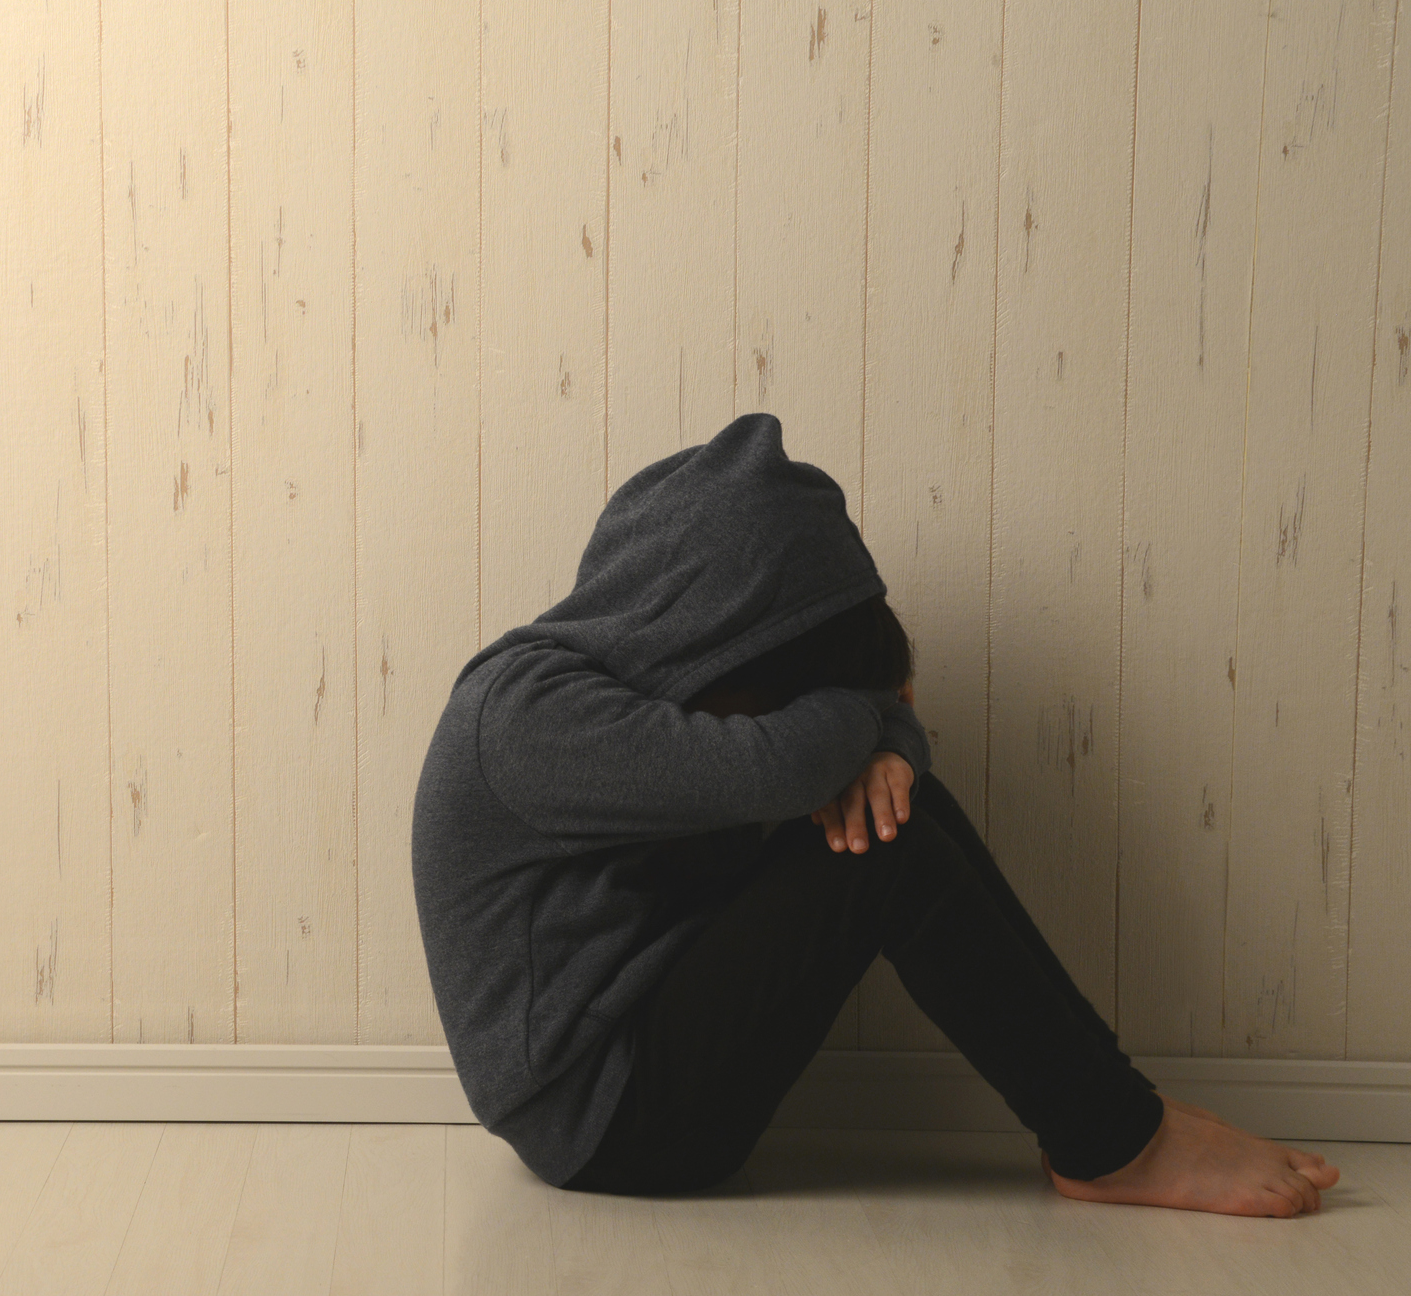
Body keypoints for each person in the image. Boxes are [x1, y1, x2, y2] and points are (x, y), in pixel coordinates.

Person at [409, 412, 1338, 1217]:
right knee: (883, 851)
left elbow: (860, 729)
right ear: (700, 642)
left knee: (897, 806)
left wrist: (884, 743)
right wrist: (874, 719)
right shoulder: (528, 719)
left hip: (653, 1033)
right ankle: (1116, 1140)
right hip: (607, 1121)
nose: (784, 723)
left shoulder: (628, 694)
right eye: (779, 703)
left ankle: (1116, 1119)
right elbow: (781, 763)